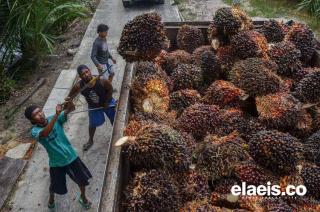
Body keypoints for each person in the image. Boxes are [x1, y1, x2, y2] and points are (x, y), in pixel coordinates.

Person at [24, 103, 92, 210]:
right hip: (56, 163)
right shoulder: (34, 131)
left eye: (40, 111)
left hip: (71, 156)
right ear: (33, 120)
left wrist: (69, 101)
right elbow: (45, 133)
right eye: (36, 114)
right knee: (55, 186)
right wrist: (56, 115)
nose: (40, 114)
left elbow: (71, 108)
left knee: (82, 180)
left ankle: (83, 197)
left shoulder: (53, 118)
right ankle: (51, 199)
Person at [66, 64, 116, 151]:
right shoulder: (78, 86)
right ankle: (90, 140)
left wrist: (107, 102)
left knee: (114, 119)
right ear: (80, 77)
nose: (86, 75)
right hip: (93, 106)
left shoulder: (102, 80)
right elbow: (70, 97)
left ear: (90, 71)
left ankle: (117, 135)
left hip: (107, 102)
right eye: (83, 74)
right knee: (92, 124)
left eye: (87, 72)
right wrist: (69, 102)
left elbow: (110, 90)